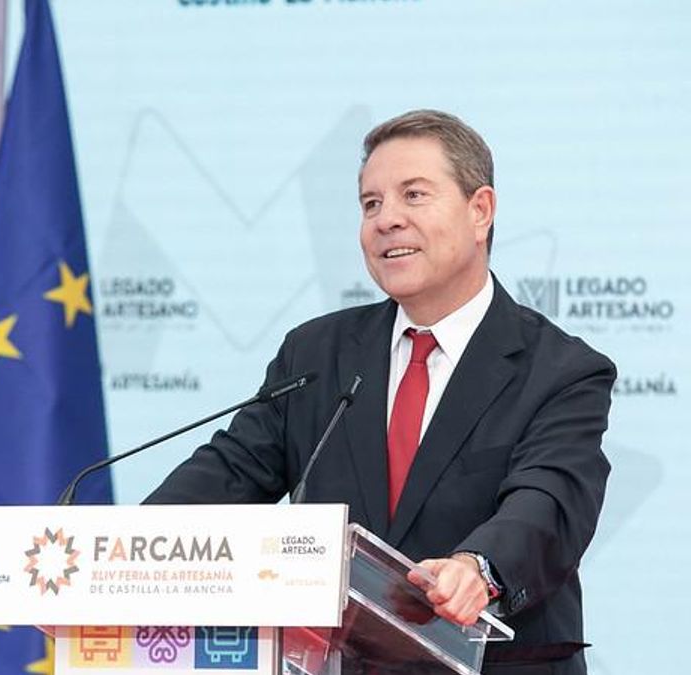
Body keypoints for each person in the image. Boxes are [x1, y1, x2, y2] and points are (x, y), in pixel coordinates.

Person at [145, 109, 615, 675]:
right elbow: (228, 473)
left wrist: (477, 567)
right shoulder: (316, 355)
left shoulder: (561, 370)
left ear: (480, 211)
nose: (386, 219)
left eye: (413, 195)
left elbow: (548, 501)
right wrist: (123, 549)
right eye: (371, 204)